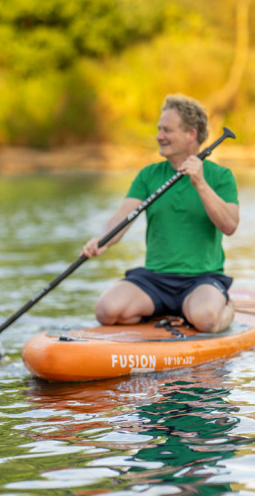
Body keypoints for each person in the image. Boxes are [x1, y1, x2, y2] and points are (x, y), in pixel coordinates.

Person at [82, 94, 239, 334]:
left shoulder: (220, 176)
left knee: (206, 318)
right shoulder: (149, 175)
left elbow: (230, 226)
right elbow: (122, 218)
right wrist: (102, 241)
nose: (159, 136)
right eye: (159, 129)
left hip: (201, 279)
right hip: (155, 280)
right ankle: (166, 312)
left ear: (191, 135)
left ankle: (226, 307)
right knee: (106, 310)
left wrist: (200, 183)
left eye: (167, 130)